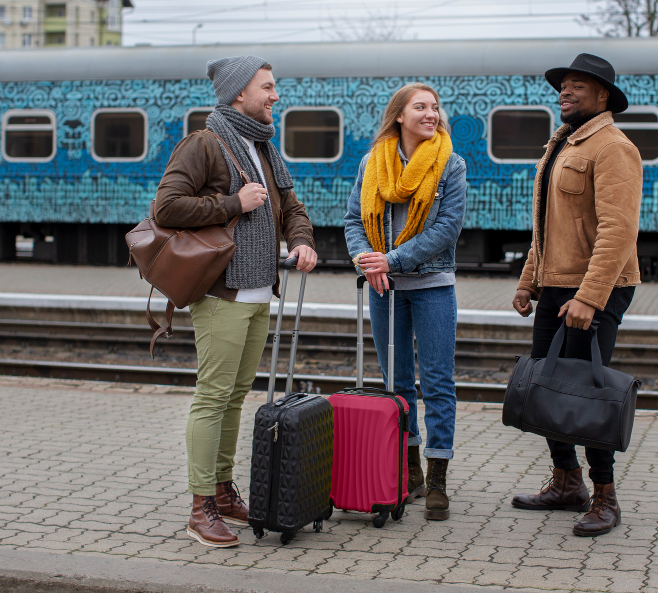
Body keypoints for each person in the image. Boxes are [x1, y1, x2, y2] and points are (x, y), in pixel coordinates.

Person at [154, 56, 318, 548]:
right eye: (267, 87)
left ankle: (223, 493)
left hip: (258, 291)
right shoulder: (204, 144)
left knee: (232, 397)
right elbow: (165, 206)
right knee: (213, 397)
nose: (274, 95)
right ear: (238, 93)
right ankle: (200, 506)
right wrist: (232, 204)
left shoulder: (263, 147)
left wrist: (302, 239)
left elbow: (290, 206)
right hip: (222, 292)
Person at [509, 53, 643, 537]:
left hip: (598, 286)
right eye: (563, 86)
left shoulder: (612, 147)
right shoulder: (564, 143)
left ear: (603, 95)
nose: (565, 92)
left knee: (584, 392)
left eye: (578, 86)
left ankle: (605, 495)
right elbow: (548, 228)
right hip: (558, 283)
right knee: (544, 388)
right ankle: (566, 482)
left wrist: (590, 297)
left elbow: (618, 231)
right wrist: (530, 280)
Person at [344, 82, 467, 521]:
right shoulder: (371, 163)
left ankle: (438, 478)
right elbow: (353, 219)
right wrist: (366, 261)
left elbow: (446, 229)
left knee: (436, 383)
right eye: (421, 107)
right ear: (400, 115)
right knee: (396, 385)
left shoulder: (451, 164)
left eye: (435, 106)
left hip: (432, 285)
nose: (431, 113)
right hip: (384, 287)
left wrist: (389, 259)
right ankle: (409, 472)